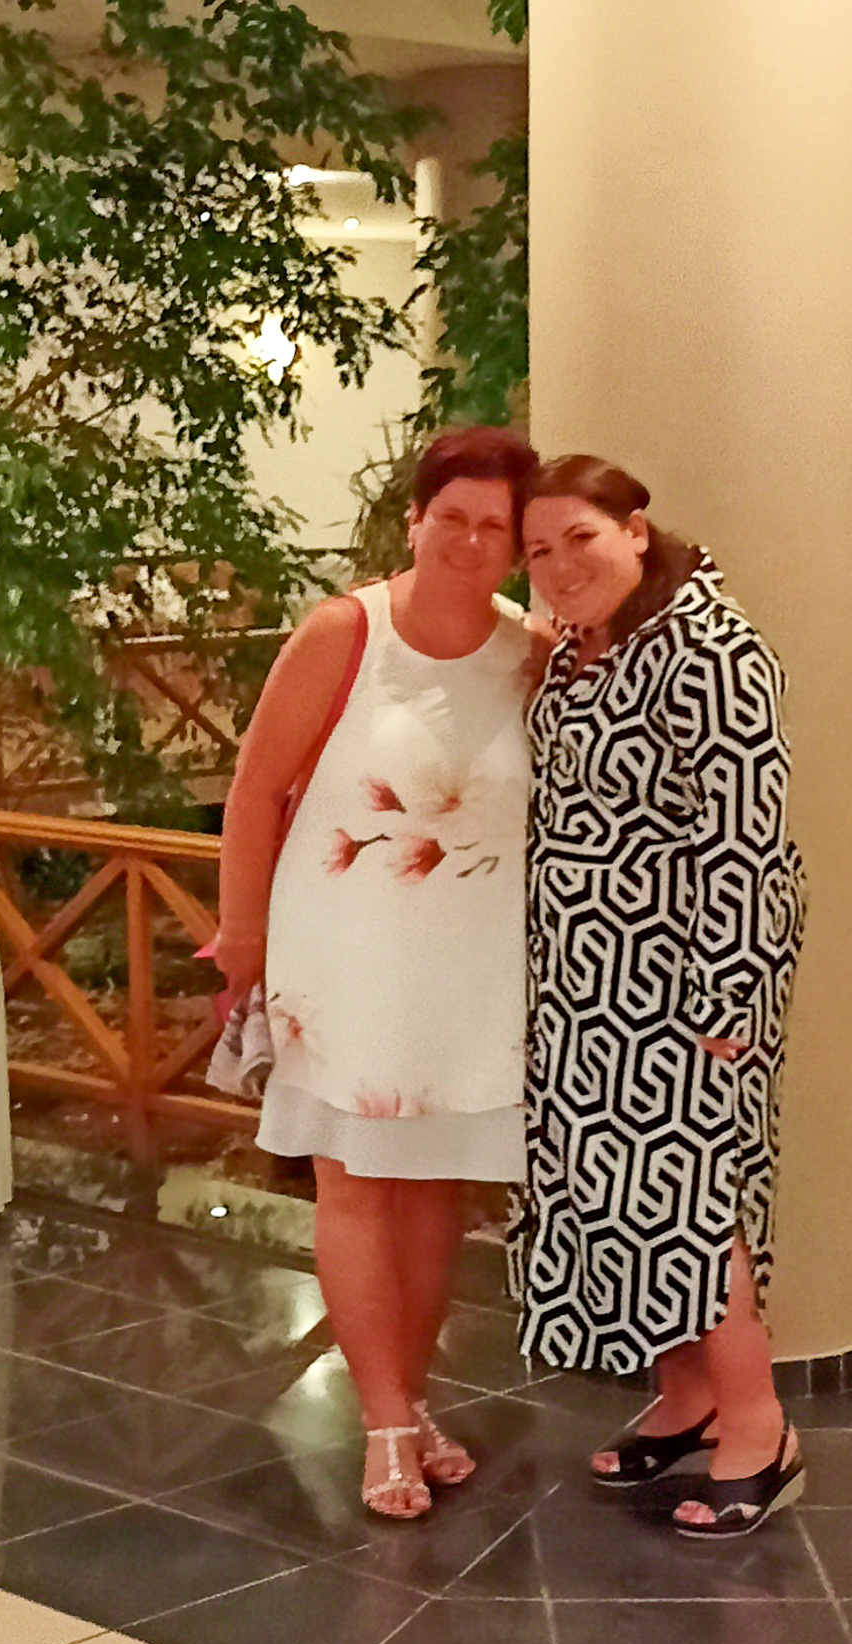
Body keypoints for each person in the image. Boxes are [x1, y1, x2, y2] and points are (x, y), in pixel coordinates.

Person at [215, 426, 540, 1520]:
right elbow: (255, 787)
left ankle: (414, 1396)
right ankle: (386, 1422)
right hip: (343, 951)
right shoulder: (345, 632)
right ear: (414, 518)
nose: (469, 540)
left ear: (516, 543)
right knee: (354, 1179)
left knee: (435, 1183)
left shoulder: (529, 649)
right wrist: (241, 934)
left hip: (471, 962)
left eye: (493, 525)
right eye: (451, 516)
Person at [508, 454, 807, 1538]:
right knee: (624, 1202)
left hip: (684, 981)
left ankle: (761, 1427)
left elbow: (748, 838)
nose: (559, 566)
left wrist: (729, 992)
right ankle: (688, 1400)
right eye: (538, 551)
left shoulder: (712, 650)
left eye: (580, 538)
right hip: (585, 985)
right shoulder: (580, 648)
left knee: (694, 1205)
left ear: (636, 528)